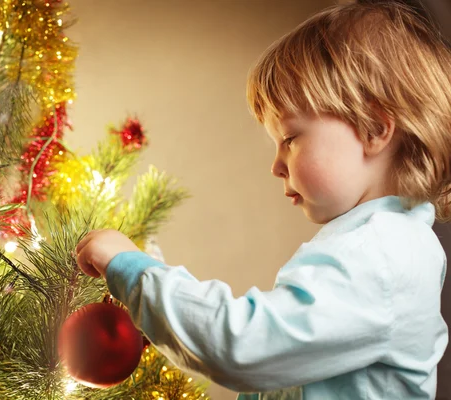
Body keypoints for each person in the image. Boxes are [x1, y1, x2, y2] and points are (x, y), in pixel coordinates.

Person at [75, 2, 451, 399]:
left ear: (374, 128)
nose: (276, 165)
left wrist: (132, 270)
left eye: (289, 139)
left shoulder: (383, 254)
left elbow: (241, 346)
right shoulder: (375, 244)